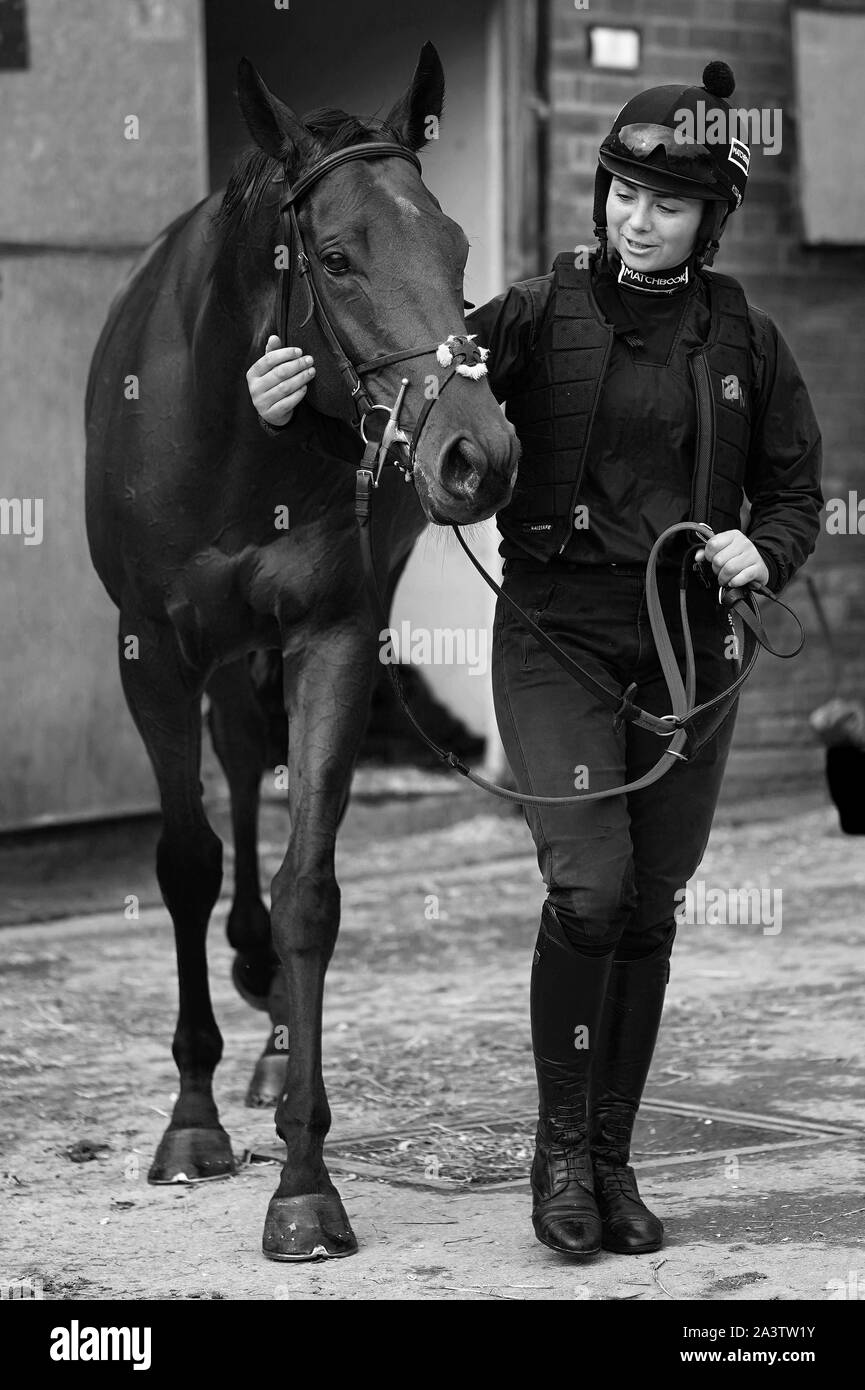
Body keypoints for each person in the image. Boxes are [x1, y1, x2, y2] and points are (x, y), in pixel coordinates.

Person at [247, 62, 823, 1260]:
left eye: (666, 201)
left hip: (690, 646)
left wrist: (757, 551)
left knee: (652, 909)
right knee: (592, 890)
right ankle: (557, 1158)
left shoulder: (747, 345)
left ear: (708, 219)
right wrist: (287, 407)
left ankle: (613, 1163)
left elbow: (794, 496)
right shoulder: (525, 317)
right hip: (558, 634)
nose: (635, 215)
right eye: (622, 191)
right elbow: (413, 421)